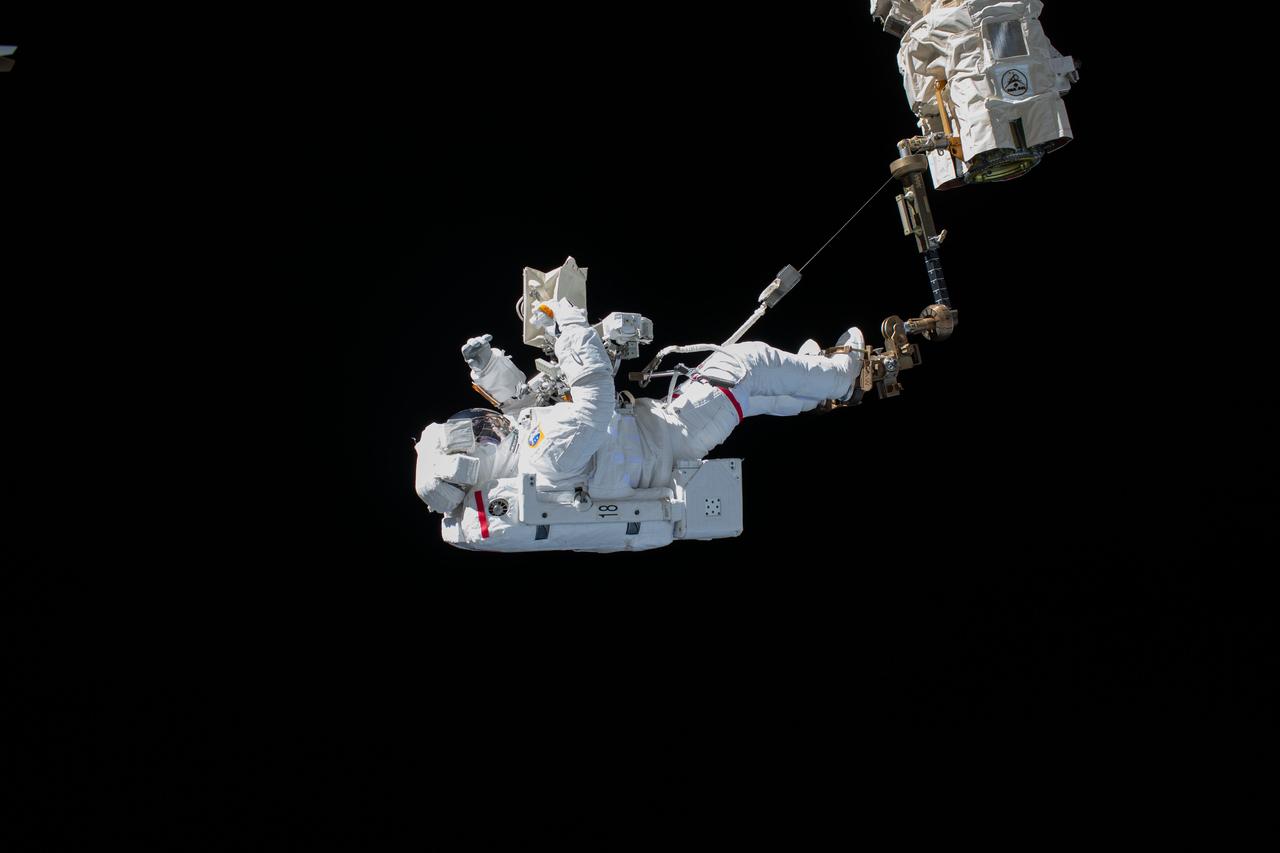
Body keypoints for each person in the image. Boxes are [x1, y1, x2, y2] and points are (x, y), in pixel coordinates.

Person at [415, 294, 863, 552]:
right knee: (748, 365)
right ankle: (842, 378)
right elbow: (594, 402)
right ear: (473, 462)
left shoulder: (523, 459)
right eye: (475, 436)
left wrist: (487, 365)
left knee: (752, 398)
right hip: (672, 438)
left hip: (657, 435)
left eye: (474, 424)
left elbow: (519, 404)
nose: (484, 427)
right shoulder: (542, 452)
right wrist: (570, 328)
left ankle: (812, 388)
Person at [872, 0, 1078, 188]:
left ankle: (988, 146)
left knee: (976, 81)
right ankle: (1034, 133)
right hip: (983, 21)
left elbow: (926, 102)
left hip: (957, 24)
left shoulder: (927, 35)